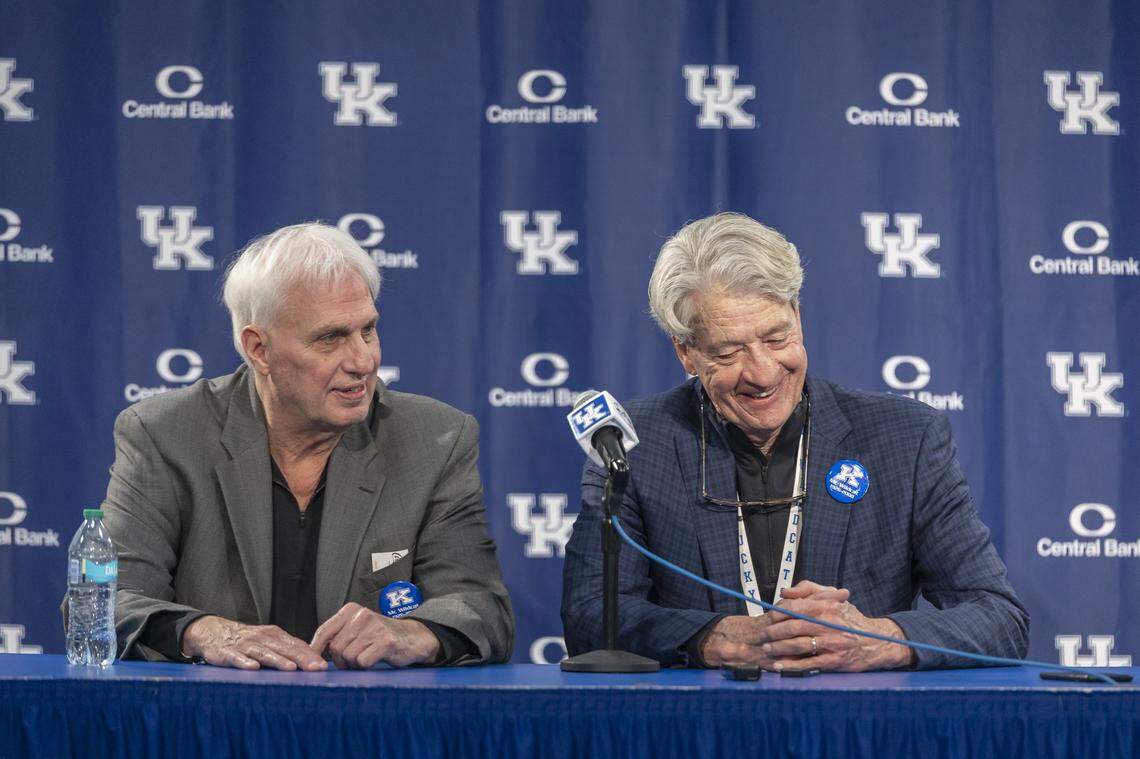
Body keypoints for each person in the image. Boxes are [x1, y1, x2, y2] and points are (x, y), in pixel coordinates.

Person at [561, 212, 1028, 671]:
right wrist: (714, 638)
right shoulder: (632, 445)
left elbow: (1000, 619)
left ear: (798, 317)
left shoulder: (906, 439)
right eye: (729, 351)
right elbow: (590, 616)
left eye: (777, 337)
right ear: (685, 352)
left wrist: (876, 639)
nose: (763, 373)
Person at [88, 222, 513, 670]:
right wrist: (204, 632)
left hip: (366, 726)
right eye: (330, 338)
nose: (363, 360)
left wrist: (409, 633)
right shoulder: (165, 435)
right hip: (210, 724)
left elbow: (482, 609)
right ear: (259, 349)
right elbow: (105, 603)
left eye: (367, 330)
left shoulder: (436, 440)